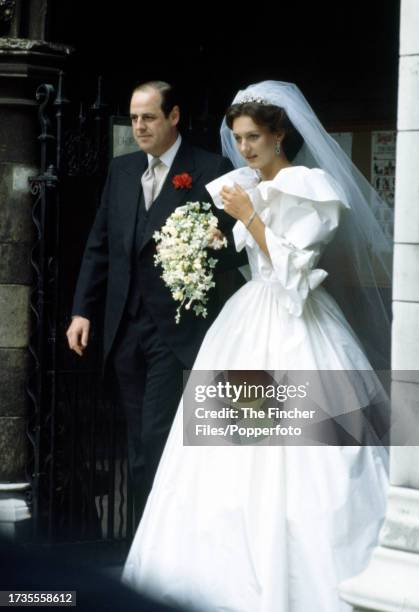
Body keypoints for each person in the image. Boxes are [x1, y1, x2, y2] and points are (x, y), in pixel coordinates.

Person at [121, 81, 392, 611]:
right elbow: (259, 263)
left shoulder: (309, 186)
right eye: (239, 138)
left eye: (254, 138)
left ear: (279, 134)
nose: (244, 149)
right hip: (247, 320)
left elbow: (297, 270)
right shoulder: (244, 182)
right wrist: (222, 241)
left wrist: (247, 216)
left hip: (296, 323)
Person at [66, 81, 244, 527]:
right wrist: (82, 311)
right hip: (124, 326)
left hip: (175, 329)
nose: (139, 127)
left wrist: (209, 246)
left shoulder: (208, 167)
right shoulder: (122, 170)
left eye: (148, 117)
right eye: (134, 118)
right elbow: (99, 245)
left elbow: (237, 246)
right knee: (134, 440)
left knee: (157, 434)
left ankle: (158, 538)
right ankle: (139, 540)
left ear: (174, 116)